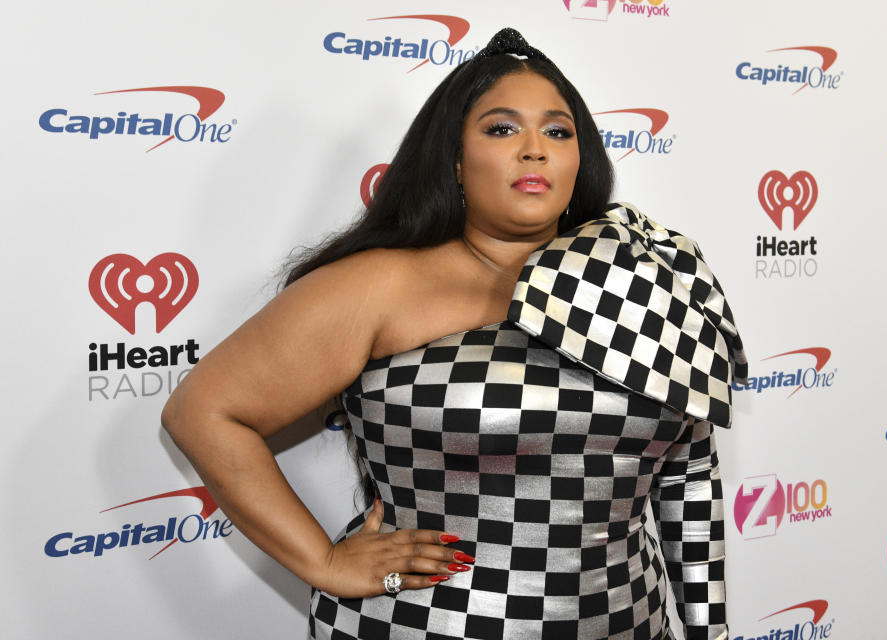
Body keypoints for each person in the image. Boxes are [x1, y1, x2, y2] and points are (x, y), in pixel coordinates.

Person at [162, 28, 747, 640]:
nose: (534, 150)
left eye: (557, 131)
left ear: (582, 158)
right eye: (501, 129)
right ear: (455, 161)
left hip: (630, 622)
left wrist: (713, 630)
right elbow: (204, 412)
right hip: (426, 624)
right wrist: (325, 562)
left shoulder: (642, 279)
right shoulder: (377, 285)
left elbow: (687, 474)